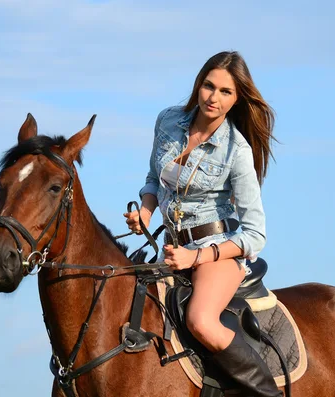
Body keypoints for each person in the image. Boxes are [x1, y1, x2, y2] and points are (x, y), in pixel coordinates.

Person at [123, 51, 281, 397]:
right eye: (209, 86)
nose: (213, 97)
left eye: (226, 92)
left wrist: (195, 259)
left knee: (200, 321)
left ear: (237, 99)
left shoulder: (236, 151)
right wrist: (145, 214)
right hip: (171, 247)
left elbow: (255, 233)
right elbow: (154, 178)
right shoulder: (167, 121)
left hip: (216, 253)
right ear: (199, 85)